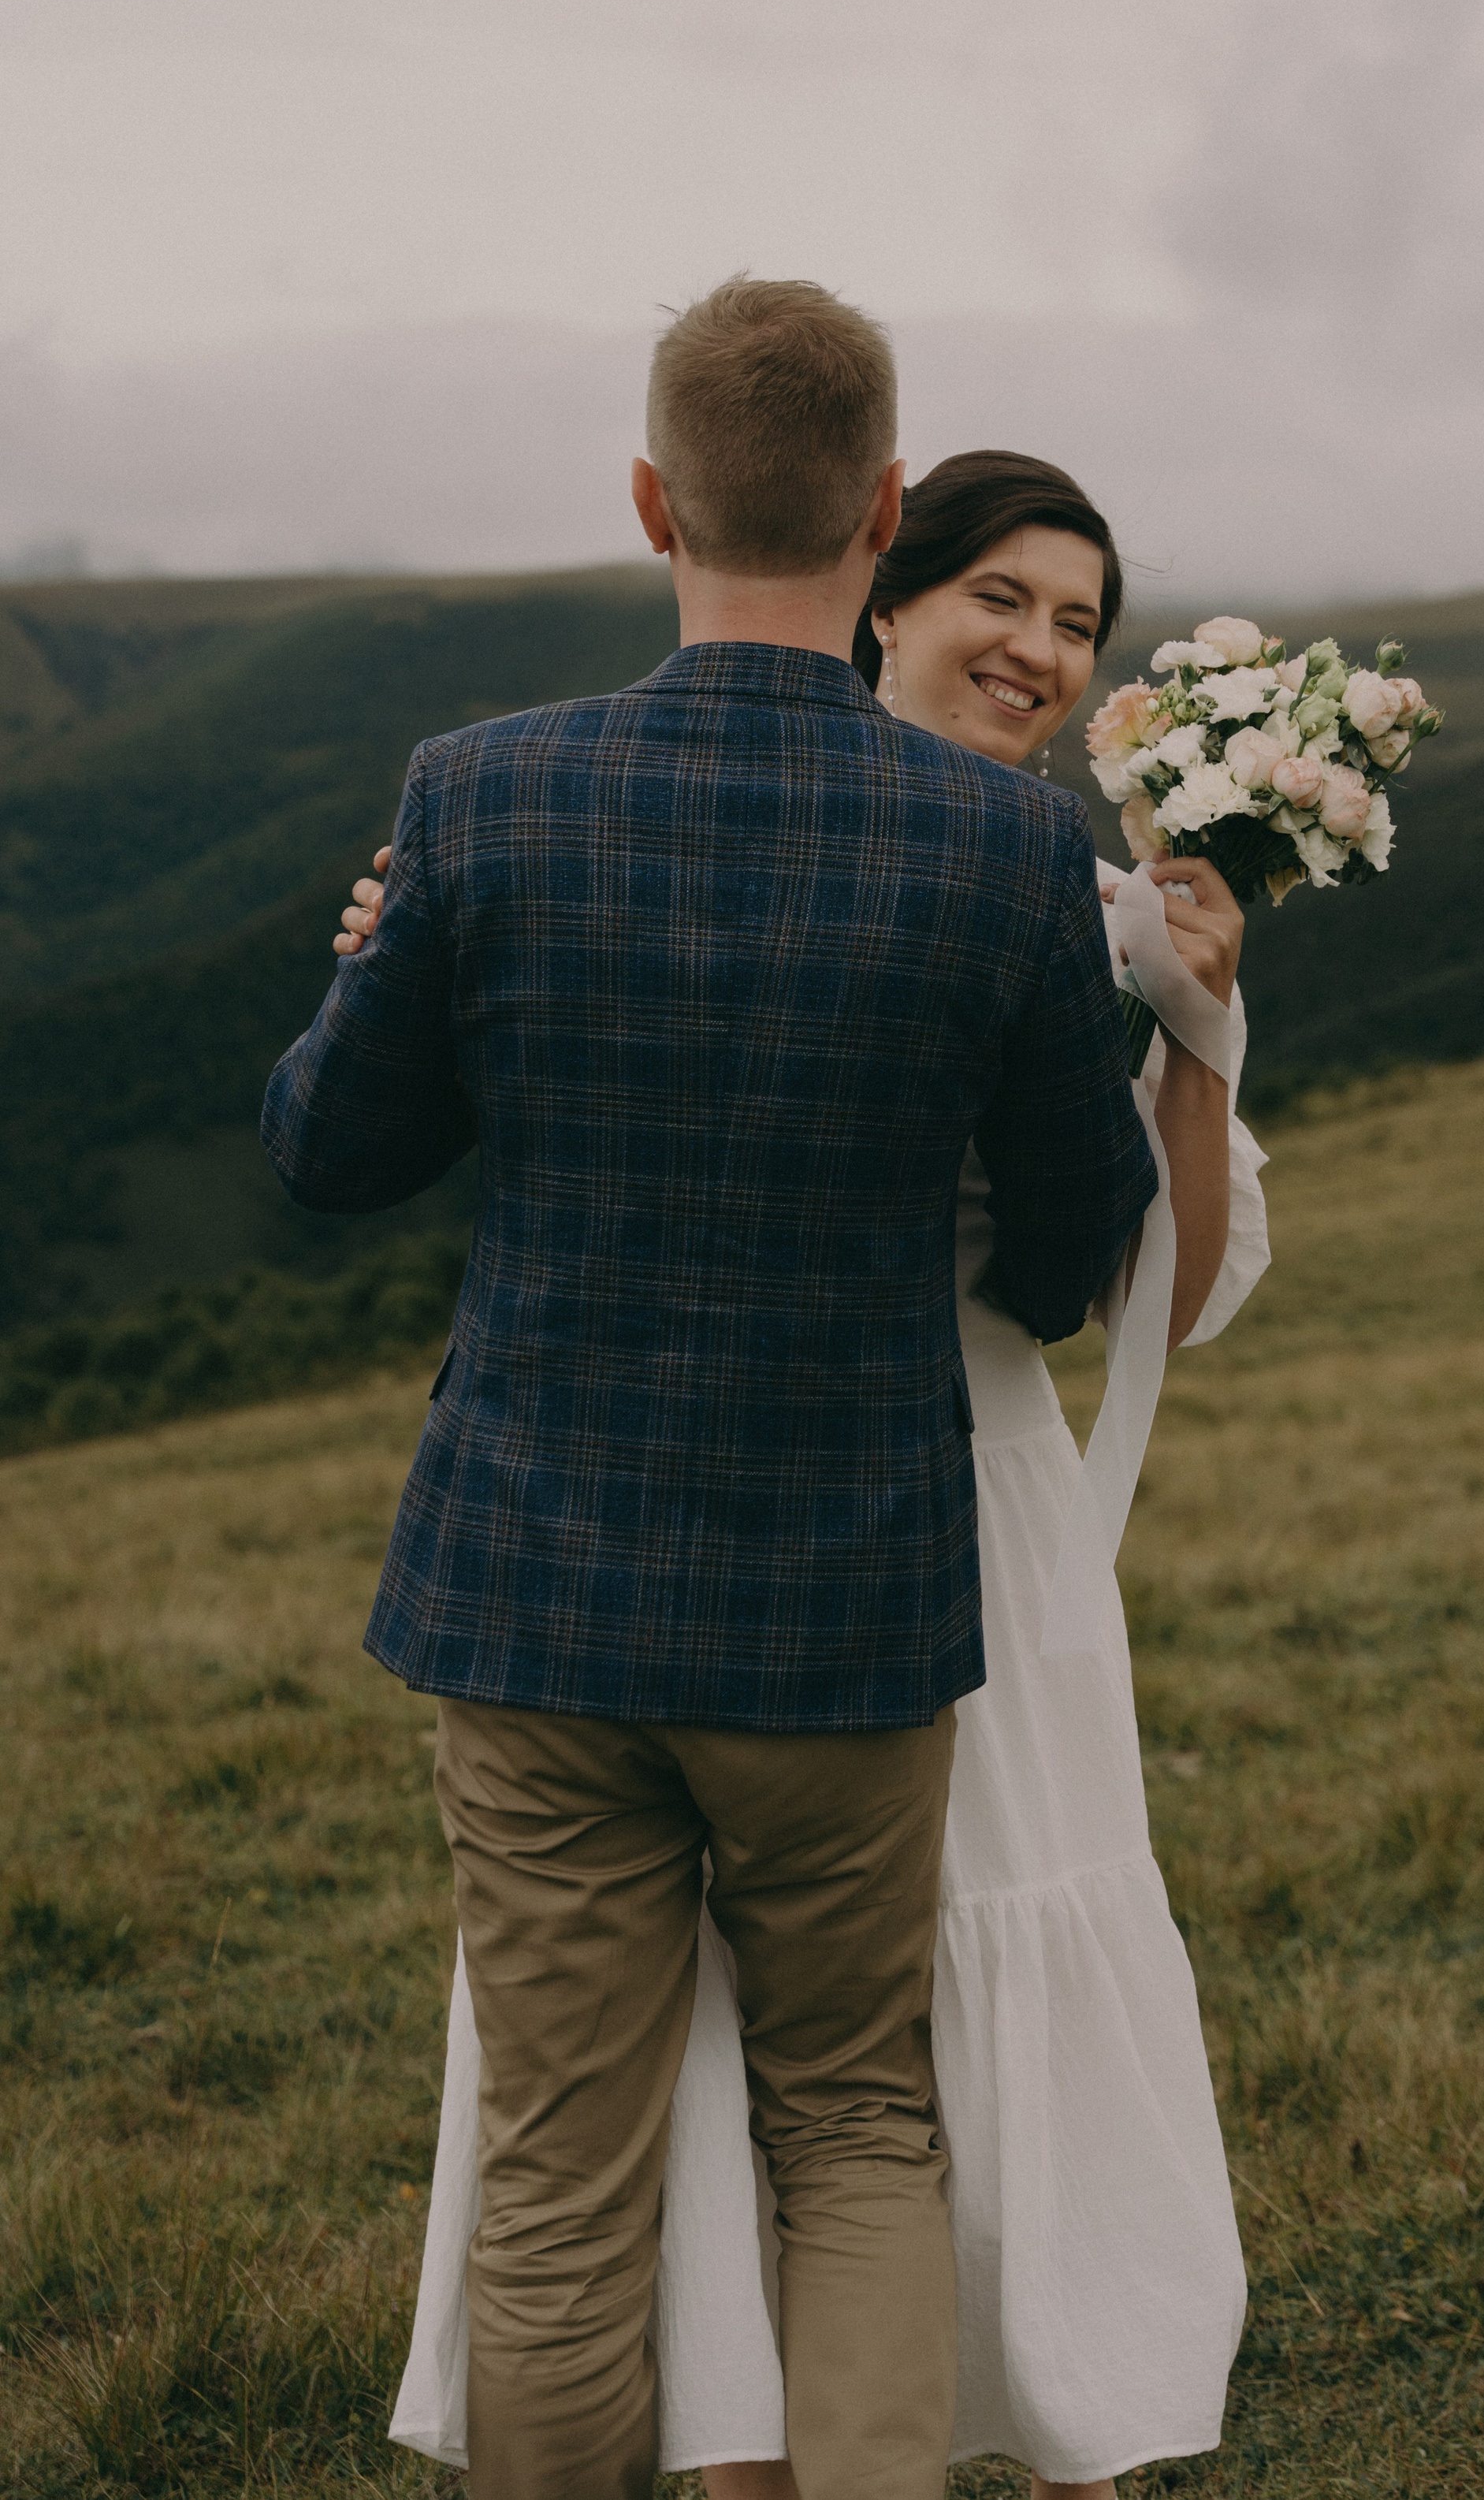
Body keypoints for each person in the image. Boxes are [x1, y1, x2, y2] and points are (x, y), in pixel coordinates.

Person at [262, 281, 1160, 2500]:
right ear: (880, 516)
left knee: (565, 2176)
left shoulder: (480, 795)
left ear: (653, 499)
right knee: (853, 2122)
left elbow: (325, 1151)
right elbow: (1062, 1252)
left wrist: (385, 957)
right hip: (846, 1607)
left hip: (534, 1592)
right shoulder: (1014, 850)